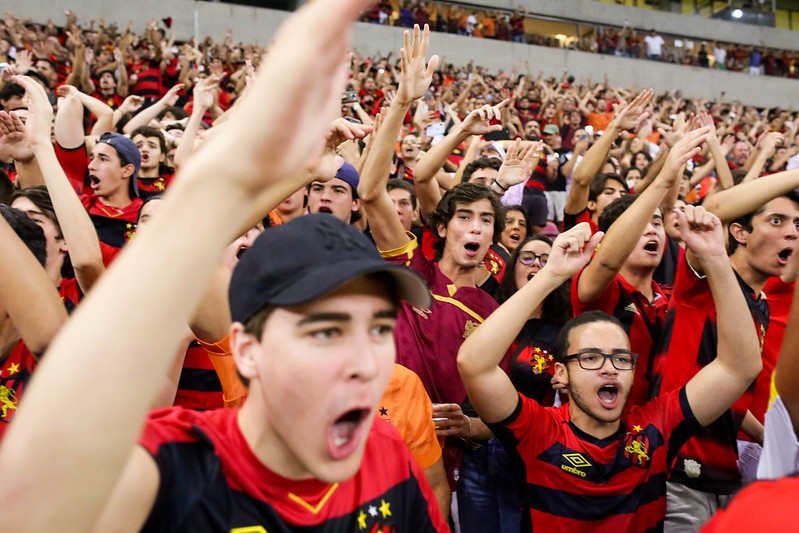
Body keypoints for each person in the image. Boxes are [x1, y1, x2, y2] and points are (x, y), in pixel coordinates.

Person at [0, 3, 449, 531]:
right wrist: (218, 185)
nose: (366, 362)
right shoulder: (179, 465)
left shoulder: (388, 451)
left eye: (378, 328)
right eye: (326, 331)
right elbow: (32, 505)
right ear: (247, 351)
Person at [458, 208, 762, 531]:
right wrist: (550, 276)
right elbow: (473, 364)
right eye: (590, 357)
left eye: (620, 358)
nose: (609, 369)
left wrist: (716, 257)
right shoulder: (538, 430)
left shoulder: (656, 427)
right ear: (560, 373)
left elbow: (739, 367)